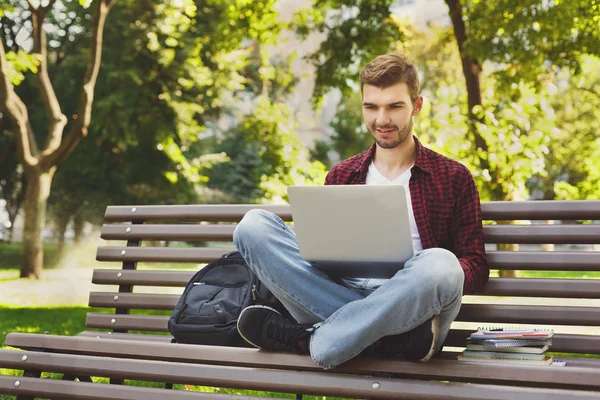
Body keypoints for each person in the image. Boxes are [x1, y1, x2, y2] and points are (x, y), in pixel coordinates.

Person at [233, 52, 489, 370]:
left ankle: (314, 340)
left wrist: (418, 282)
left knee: (441, 264)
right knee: (252, 226)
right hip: (343, 292)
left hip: (414, 305)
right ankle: (386, 340)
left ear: (417, 106)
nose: (381, 119)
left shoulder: (452, 177)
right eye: (371, 107)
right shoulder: (341, 175)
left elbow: (476, 265)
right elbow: (320, 259)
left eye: (394, 106)